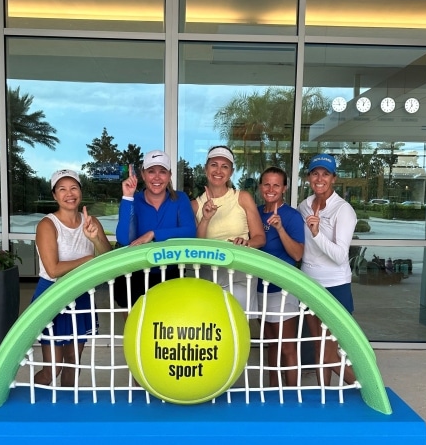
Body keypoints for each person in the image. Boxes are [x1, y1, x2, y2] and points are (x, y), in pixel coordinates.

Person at [33, 169, 112, 386]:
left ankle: (67, 404)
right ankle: (33, 402)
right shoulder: (47, 224)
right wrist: (88, 260)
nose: (69, 193)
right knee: (52, 369)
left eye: (74, 188)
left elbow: (108, 257)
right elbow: (53, 270)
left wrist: (94, 239)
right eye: (62, 189)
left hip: (81, 294)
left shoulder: (91, 221)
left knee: (73, 362)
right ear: (54, 195)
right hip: (53, 295)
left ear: (80, 192)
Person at [298, 153, 357, 385]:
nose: (319, 178)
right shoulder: (304, 206)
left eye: (325, 174)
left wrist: (316, 233)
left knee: (330, 354)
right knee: (319, 347)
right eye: (315, 173)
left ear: (334, 178)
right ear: (308, 178)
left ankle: (369, 392)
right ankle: (325, 395)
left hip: (335, 286)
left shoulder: (343, 209)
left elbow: (340, 256)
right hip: (309, 284)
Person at [114, 150, 196, 307]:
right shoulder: (133, 200)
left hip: (171, 271)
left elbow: (190, 232)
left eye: (162, 172)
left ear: (170, 175)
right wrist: (127, 197)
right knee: (132, 309)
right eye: (151, 171)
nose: (157, 177)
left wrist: (153, 234)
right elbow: (124, 239)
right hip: (136, 272)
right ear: (143, 175)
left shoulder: (180, 198)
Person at [191, 145, 265, 310]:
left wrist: (246, 243)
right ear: (205, 169)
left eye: (224, 166)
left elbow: (260, 238)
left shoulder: (243, 197)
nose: (218, 170)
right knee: (211, 322)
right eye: (214, 165)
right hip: (208, 274)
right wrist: (206, 219)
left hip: (240, 273)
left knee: (236, 322)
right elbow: (197, 246)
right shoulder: (195, 205)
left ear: (231, 172)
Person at [257, 166, 305, 386]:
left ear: (284, 188)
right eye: (266, 184)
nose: (271, 189)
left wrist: (280, 228)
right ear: (260, 187)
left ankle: (293, 395)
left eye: (276, 185)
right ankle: (274, 392)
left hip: (282, 290)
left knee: (287, 347)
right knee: (271, 344)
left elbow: (297, 254)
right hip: (258, 288)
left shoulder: (292, 216)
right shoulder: (255, 212)